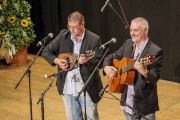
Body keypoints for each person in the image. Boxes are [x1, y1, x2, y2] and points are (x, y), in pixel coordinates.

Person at [41, 11, 103, 120]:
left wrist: (87, 61)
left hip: (87, 86)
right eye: (69, 26)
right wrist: (57, 61)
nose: (71, 30)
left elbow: (100, 62)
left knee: (91, 117)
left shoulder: (94, 39)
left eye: (74, 27)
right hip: (68, 86)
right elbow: (46, 51)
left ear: (82, 24)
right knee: (73, 118)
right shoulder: (63, 36)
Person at [103, 17, 163, 120]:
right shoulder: (128, 44)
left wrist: (145, 72)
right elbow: (110, 57)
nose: (132, 33)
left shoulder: (155, 51)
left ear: (145, 30)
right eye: (131, 30)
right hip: (127, 102)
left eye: (136, 30)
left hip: (144, 104)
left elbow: (155, 77)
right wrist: (106, 67)